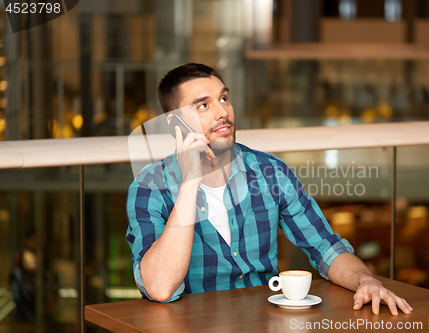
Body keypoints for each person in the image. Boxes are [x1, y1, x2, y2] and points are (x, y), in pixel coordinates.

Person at [126, 63, 413, 316]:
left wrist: (366, 280)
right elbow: (160, 287)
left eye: (224, 98)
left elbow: (325, 247)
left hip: (262, 323)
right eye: (204, 105)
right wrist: (190, 181)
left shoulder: (271, 172)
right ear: (174, 123)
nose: (222, 112)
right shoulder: (150, 186)